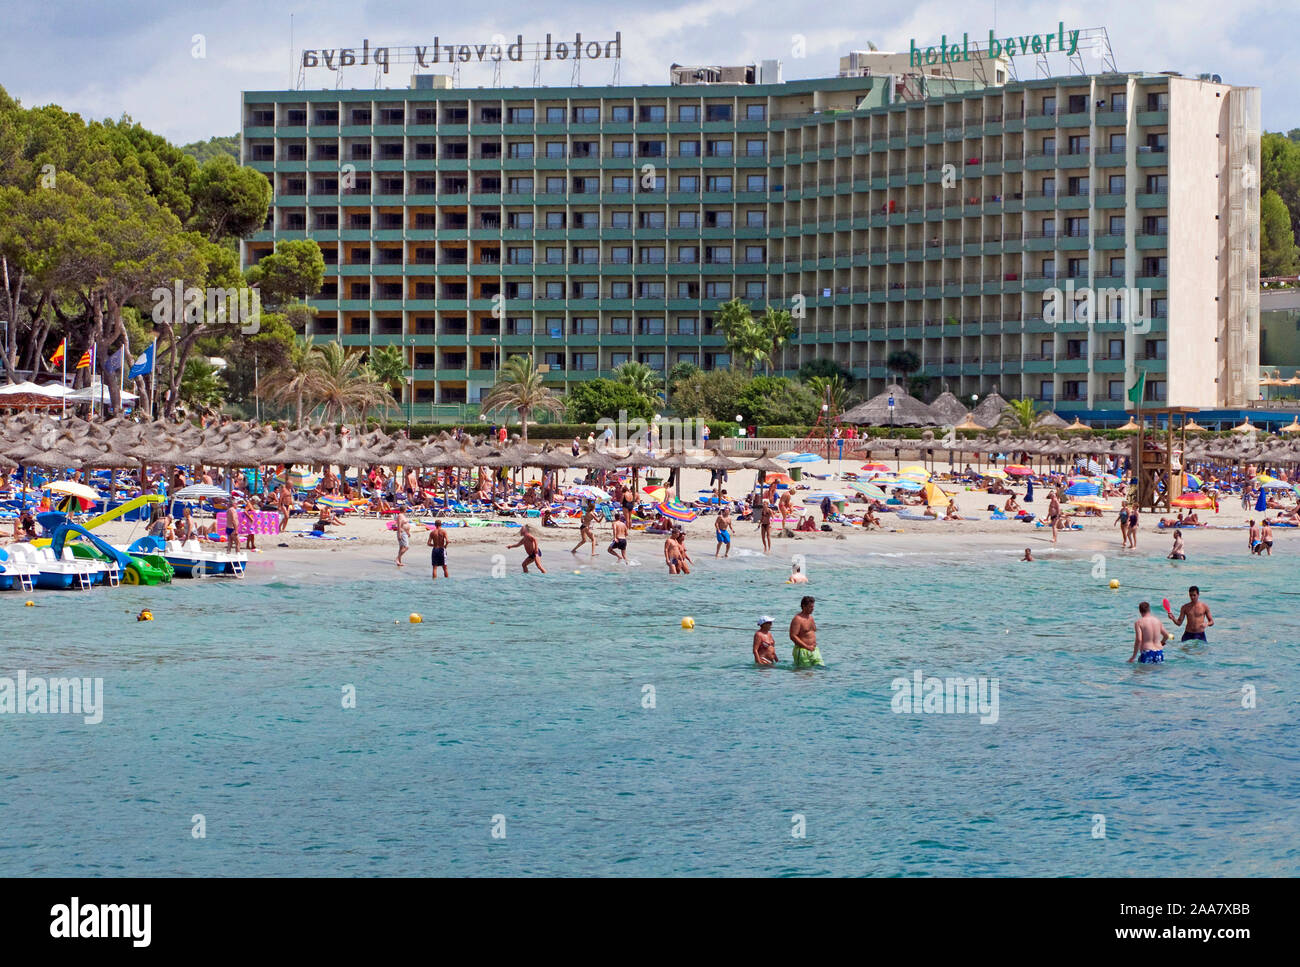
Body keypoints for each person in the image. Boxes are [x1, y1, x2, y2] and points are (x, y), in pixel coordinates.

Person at [789, 596, 824, 667]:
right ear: (804, 606)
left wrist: (813, 644)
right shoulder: (797, 619)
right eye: (810, 607)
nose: (813, 609)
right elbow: (793, 636)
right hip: (802, 651)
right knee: (803, 674)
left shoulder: (810, 617)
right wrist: (807, 646)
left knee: (821, 668)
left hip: (814, 649)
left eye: (813, 606)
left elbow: (812, 631)